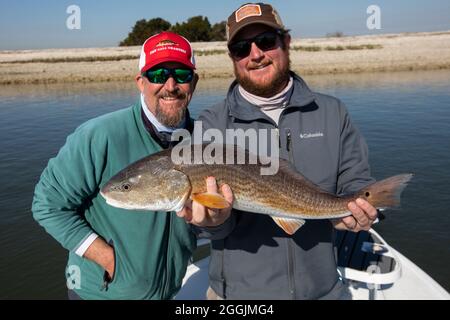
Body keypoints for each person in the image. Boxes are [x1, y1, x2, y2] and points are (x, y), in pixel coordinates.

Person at [177, 3, 378, 300]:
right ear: (233, 57)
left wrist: (359, 209)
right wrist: (214, 224)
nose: (255, 55)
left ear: (286, 42)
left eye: (267, 41)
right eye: (241, 48)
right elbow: (205, 228)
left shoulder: (332, 112)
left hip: (323, 291)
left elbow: (356, 183)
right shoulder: (210, 124)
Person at [31, 31, 229, 300]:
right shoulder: (99, 136)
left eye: (181, 75)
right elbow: (47, 204)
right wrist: (106, 257)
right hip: (99, 295)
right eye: (158, 75)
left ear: (193, 82)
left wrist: (214, 222)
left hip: (171, 292)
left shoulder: (205, 143)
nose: (170, 85)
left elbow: (204, 219)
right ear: (140, 81)